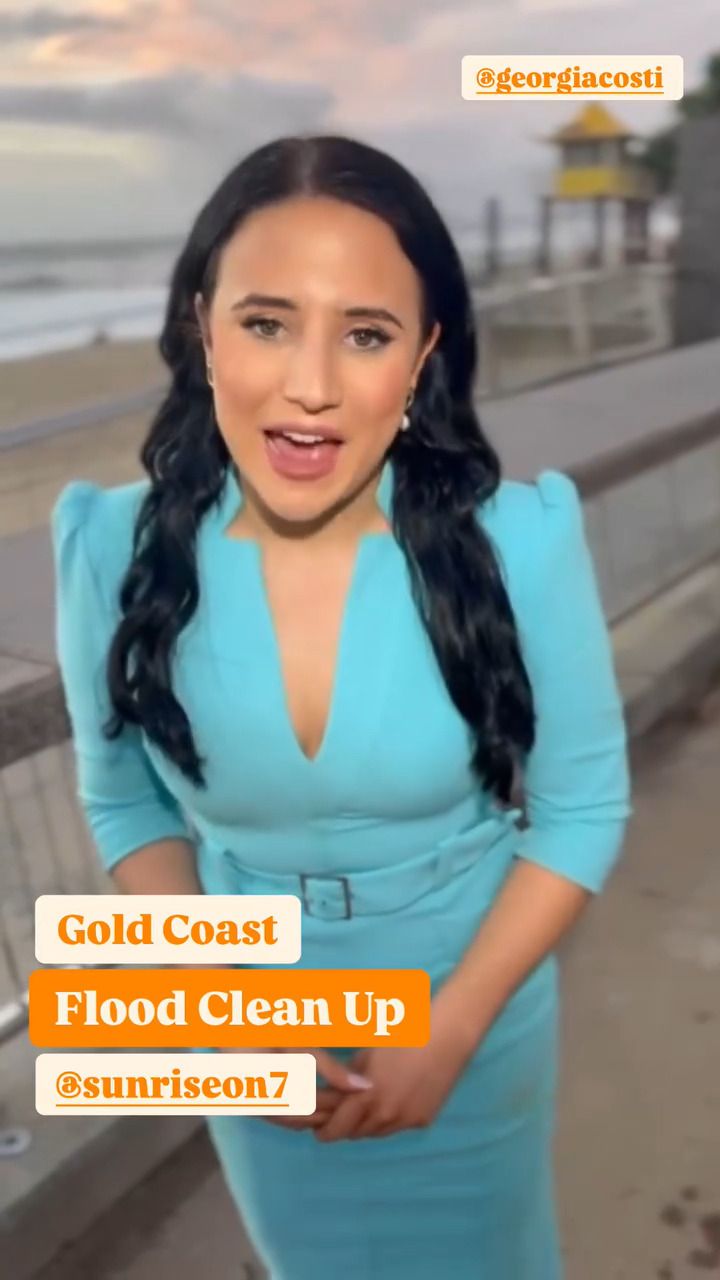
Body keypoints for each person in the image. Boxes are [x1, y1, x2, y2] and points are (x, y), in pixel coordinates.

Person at [51, 133, 633, 1279]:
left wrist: (451, 1027)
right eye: (267, 322)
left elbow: (581, 807)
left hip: (474, 1017)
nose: (310, 385)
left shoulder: (520, 538)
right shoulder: (110, 544)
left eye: (365, 334)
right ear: (201, 326)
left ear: (422, 354)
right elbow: (123, 803)